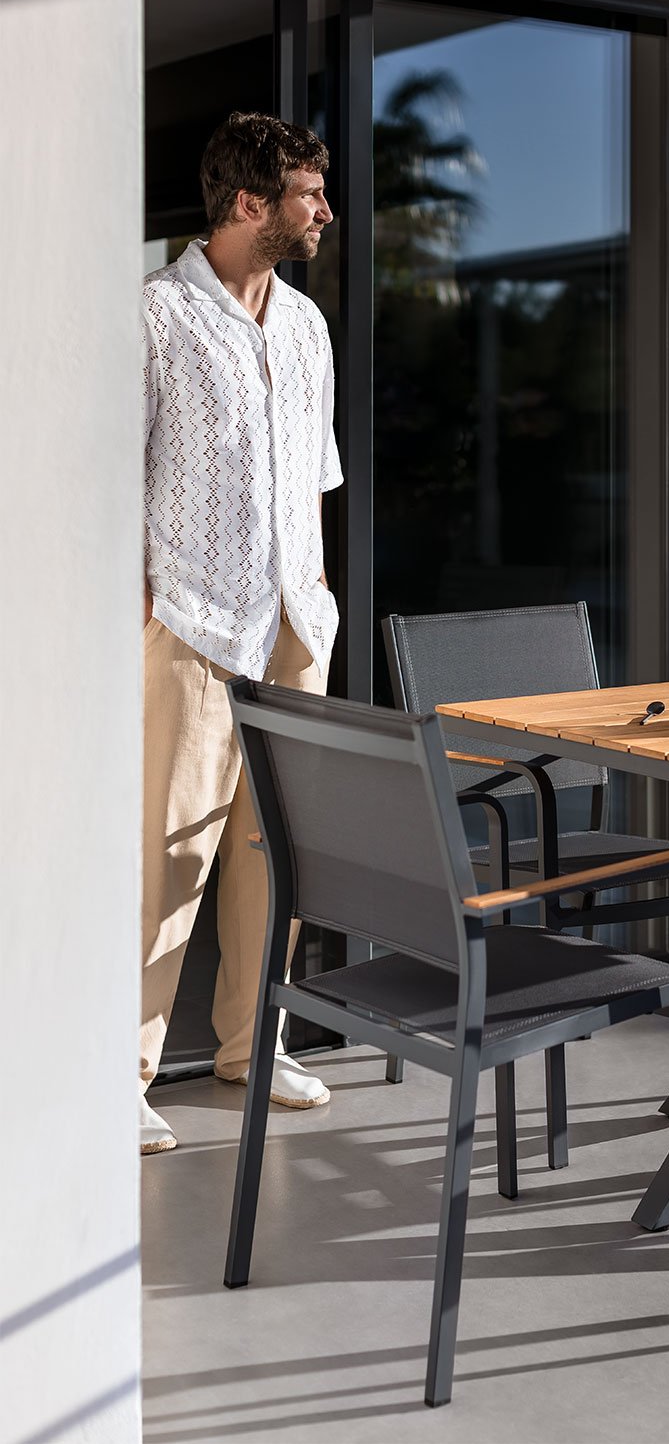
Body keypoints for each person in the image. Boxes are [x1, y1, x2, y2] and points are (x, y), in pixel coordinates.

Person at [140, 112, 341, 1154]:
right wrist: (139, 600)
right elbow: (112, 479)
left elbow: (314, 477)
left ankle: (251, 1044)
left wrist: (311, 585)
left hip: (293, 621)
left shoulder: (306, 327)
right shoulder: (154, 317)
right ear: (248, 203)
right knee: (166, 855)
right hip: (189, 619)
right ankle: (119, 1071)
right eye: (308, 193)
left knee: (278, 846)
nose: (324, 210)